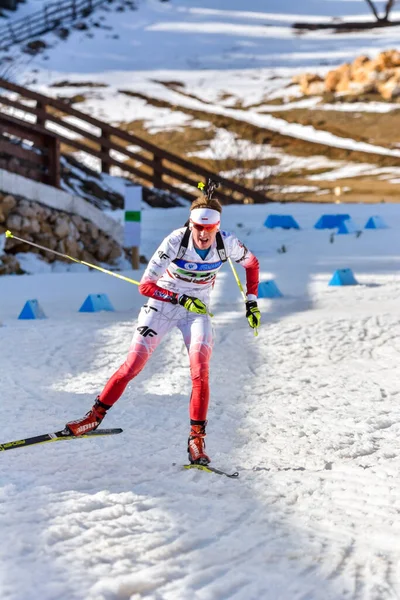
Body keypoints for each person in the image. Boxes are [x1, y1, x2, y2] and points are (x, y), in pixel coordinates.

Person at [66, 193, 260, 465]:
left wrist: (251, 302)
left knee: (200, 372)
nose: (203, 234)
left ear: (218, 226)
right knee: (132, 366)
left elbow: (252, 264)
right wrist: (179, 297)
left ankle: (196, 441)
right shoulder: (175, 240)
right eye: (198, 227)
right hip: (161, 306)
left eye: (209, 228)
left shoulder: (227, 243)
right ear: (190, 224)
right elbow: (145, 286)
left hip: (196, 312)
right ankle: (93, 418)